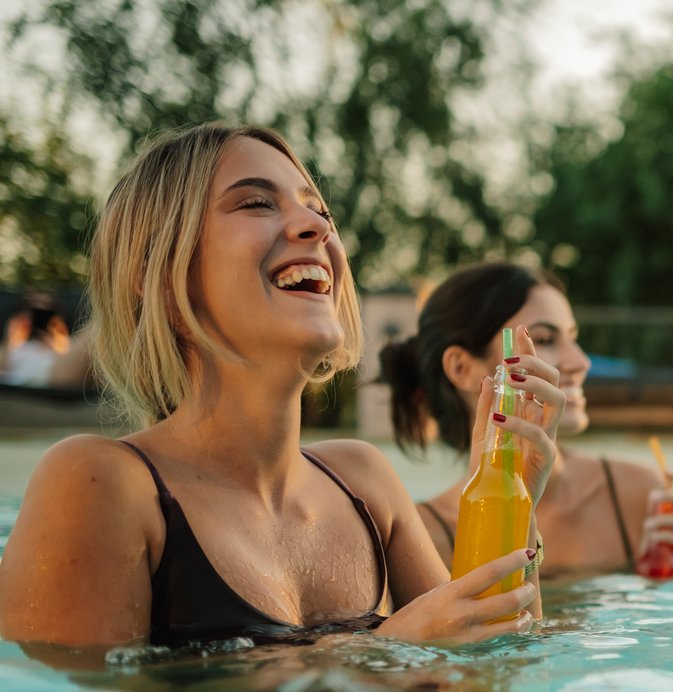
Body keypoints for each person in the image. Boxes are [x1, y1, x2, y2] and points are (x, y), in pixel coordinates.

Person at [0, 123, 565, 650]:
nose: (318, 226)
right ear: (155, 272)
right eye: (255, 202)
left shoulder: (365, 483)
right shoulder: (97, 484)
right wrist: (383, 653)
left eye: (319, 210)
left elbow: (490, 684)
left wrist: (510, 497)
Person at [381, 262, 673, 578]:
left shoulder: (636, 495)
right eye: (545, 340)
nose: (580, 362)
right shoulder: (424, 539)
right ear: (461, 368)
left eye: (573, 337)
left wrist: (672, 573)